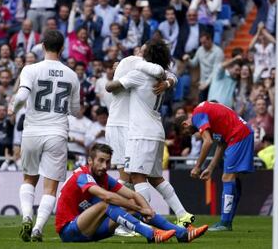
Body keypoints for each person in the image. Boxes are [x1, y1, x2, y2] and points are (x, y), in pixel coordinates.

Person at [105, 39, 195, 227]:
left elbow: (110, 87)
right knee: (156, 178)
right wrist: (168, 82)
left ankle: (146, 221)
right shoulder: (165, 76)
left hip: (140, 133)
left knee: (136, 176)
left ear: (147, 56)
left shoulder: (138, 74)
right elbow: (172, 76)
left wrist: (120, 72)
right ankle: (183, 214)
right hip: (156, 130)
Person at [55, 143, 208, 243]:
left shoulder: (104, 177)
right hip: (69, 231)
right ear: (90, 161)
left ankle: (182, 234)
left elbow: (134, 195)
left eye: (107, 162)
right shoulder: (82, 175)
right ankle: (151, 234)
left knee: (132, 203)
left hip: (91, 230)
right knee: (106, 204)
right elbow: (107, 197)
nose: (104, 166)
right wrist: (141, 209)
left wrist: (147, 210)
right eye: (100, 161)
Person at [10, 30, 80, 242]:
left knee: (29, 178)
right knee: (50, 186)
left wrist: (14, 106)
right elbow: (76, 110)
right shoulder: (71, 74)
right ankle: (38, 228)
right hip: (57, 133)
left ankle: (26, 217)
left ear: (42, 47)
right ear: (62, 49)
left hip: (32, 131)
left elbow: (22, 94)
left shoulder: (30, 69)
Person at [104, 50, 166, 236]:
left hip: (126, 126)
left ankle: (119, 219)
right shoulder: (133, 63)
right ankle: (116, 218)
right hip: (120, 125)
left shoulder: (138, 66)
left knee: (129, 177)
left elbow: (167, 73)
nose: (140, 51)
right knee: (127, 177)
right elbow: (110, 86)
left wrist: (168, 81)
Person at [175, 101, 255, 231]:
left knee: (227, 178)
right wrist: (210, 168)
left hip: (238, 136)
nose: (191, 134)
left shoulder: (198, 115)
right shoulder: (206, 115)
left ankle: (225, 223)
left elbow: (208, 142)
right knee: (232, 178)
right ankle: (227, 221)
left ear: (185, 124)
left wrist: (197, 167)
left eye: (187, 133)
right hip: (241, 134)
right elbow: (221, 144)